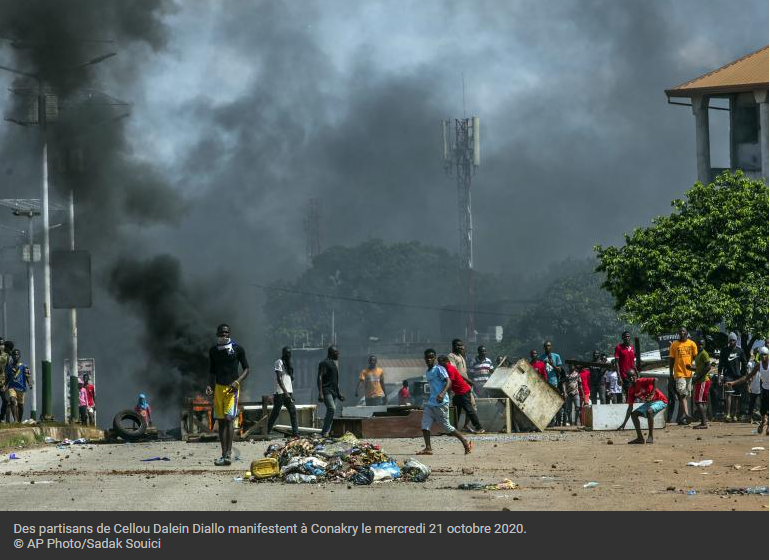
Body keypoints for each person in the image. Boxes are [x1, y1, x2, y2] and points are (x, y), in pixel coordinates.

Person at [206, 323, 250, 466]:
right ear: (217, 334)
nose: (224, 335)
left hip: (232, 389)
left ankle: (229, 454)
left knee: (229, 419)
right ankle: (223, 454)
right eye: (222, 332)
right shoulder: (213, 351)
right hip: (219, 388)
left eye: (226, 333)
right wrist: (210, 386)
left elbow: (247, 369)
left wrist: (237, 382)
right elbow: (212, 371)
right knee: (221, 421)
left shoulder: (237, 349)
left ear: (229, 334)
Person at [416, 349, 472, 456]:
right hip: (431, 403)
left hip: (441, 403)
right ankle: (428, 448)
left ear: (434, 358)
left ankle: (465, 442)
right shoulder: (427, 372)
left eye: (431, 357)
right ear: (424, 359)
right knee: (425, 425)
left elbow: (449, 381)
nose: (429, 359)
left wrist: (442, 394)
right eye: (427, 357)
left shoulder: (439, 369)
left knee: (447, 427)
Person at [725, 346, 768, 435]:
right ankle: (764, 421)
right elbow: (746, 377)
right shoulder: (758, 366)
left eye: (765, 355)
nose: (763, 356)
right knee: (763, 410)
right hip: (764, 389)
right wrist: (733, 383)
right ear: (759, 356)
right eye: (762, 355)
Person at [618, 368, 668, 444]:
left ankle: (650, 436)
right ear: (627, 378)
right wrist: (624, 423)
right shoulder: (631, 390)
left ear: (636, 376)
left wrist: (652, 394)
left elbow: (655, 379)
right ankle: (640, 438)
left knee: (649, 411)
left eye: (633, 376)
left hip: (660, 400)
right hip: (649, 403)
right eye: (629, 377)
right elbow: (630, 408)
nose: (631, 378)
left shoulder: (641, 381)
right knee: (634, 414)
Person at [438, 354, 484, 434]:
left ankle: (479, 427)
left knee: (469, 410)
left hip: (463, 392)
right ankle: (453, 430)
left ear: (446, 361)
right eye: (438, 362)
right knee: (456, 411)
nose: (439, 364)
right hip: (458, 392)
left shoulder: (449, 369)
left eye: (440, 362)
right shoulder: (447, 368)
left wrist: (445, 394)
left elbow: (450, 382)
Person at [267, 346, 298, 437]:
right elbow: (279, 379)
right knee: (275, 413)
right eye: (287, 353)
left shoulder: (289, 364)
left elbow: (288, 380)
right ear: (283, 353)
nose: (288, 354)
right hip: (280, 393)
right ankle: (267, 431)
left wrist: (290, 393)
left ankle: (295, 434)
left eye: (290, 353)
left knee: (293, 411)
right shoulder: (279, 362)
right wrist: (286, 393)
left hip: (288, 393)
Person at [668, 327, 697, 425]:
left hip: (689, 374)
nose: (682, 332)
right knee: (683, 394)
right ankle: (687, 415)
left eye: (684, 331)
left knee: (685, 396)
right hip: (679, 373)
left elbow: (696, 358)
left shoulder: (692, 344)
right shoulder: (674, 345)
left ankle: (681, 417)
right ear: (678, 333)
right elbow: (671, 361)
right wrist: (671, 374)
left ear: (687, 332)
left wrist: (695, 370)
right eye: (680, 331)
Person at [718, 332, 747, 422]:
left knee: (736, 396)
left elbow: (745, 363)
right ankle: (728, 414)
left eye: (733, 340)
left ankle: (734, 414)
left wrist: (743, 374)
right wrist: (719, 376)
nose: (732, 342)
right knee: (728, 394)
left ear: (736, 340)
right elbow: (720, 364)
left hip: (737, 376)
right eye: (730, 340)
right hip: (728, 375)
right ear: (728, 341)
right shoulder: (724, 350)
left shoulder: (740, 350)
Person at [448, 339, 475, 430]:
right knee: (456, 408)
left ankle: (465, 425)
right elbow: (455, 371)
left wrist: (468, 381)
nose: (460, 347)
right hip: (457, 386)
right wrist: (468, 380)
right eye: (457, 345)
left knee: (472, 406)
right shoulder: (451, 356)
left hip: (465, 385)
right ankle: (453, 428)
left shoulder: (461, 356)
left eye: (461, 345)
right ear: (453, 346)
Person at [318, 345, 344, 437]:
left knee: (332, 411)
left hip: (333, 391)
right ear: (331, 353)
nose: (338, 353)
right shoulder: (324, 363)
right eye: (336, 352)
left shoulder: (333, 363)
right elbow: (320, 377)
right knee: (331, 408)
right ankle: (324, 431)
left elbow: (335, 380)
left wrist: (339, 392)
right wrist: (320, 393)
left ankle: (327, 432)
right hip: (326, 390)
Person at [5, 348, 31, 423]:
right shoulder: (9, 367)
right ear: (12, 356)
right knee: (12, 400)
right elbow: (7, 378)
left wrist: (29, 384)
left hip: (21, 388)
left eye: (17, 354)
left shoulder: (24, 366)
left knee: (20, 405)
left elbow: (27, 376)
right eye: (14, 354)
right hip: (12, 387)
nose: (16, 356)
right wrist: (4, 385)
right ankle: (15, 420)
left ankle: (19, 420)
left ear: (19, 356)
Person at [691, 337, 712, 429]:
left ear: (704, 345)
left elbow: (708, 367)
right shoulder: (698, 354)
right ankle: (703, 421)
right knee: (702, 402)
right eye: (699, 344)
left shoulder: (704, 353)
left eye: (702, 344)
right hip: (700, 380)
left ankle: (704, 423)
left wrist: (698, 377)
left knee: (698, 401)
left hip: (703, 380)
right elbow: (700, 368)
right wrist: (691, 369)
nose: (700, 346)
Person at [614, 331, 636, 396]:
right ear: (622, 338)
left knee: (635, 393)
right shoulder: (618, 348)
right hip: (624, 375)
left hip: (633, 375)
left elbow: (633, 362)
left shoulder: (631, 347)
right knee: (629, 392)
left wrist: (637, 373)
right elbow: (616, 363)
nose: (627, 338)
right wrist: (619, 376)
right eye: (625, 336)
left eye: (628, 336)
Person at [0, 339, 11, 422]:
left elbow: (8, 369)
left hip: (2, 381)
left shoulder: (6, 356)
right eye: (0, 344)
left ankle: (2, 418)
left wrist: (5, 383)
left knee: (5, 400)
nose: (1, 346)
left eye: (2, 344)